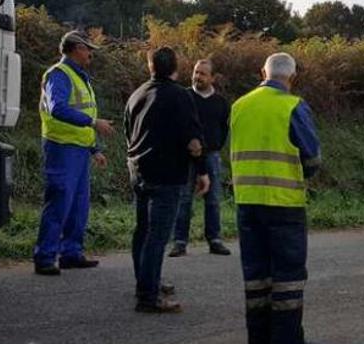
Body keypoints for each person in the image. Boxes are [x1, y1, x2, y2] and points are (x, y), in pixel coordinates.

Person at [230, 52, 323, 344]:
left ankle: (258, 339)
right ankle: (286, 343)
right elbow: (312, 158)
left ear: (262, 72)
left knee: (256, 273)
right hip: (284, 204)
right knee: (287, 274)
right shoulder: (293, 106)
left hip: (247, 202)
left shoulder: (239, 105)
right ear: (292, 77)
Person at [125, 46, 210, 313]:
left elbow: (128, 133)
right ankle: (148, 296)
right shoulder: (180, 96)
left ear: (150, 67)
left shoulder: (136, 95)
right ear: (176, 67)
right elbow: (193, 140)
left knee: (142, 231)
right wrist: (202, 170)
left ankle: (146, 280)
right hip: (168, 175)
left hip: (139, 172)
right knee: (157, 237)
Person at [34, 30, 115, 276]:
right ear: (76, 48)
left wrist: (94, 149)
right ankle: (45, 257)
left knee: (78, 205)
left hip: (78, 150)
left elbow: (82, 113)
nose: (91, 53)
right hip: (61, 148)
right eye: (88, 48)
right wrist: (93, 124)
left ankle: (71, 253)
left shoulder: (80, 76)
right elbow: (58, 109)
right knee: (59, 201)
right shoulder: (58, 74)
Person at [169, 59, 231, 257]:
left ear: (212, 78)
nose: (198, 77)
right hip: (185, 156)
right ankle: (180, 241)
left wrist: (214, 146)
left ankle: (214, 239)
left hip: (211, 156)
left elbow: (223, 128)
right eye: (196, 72)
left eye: (203, 73)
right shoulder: (184, 97)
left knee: (212, 200)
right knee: (184, 199)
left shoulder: (221, 103)